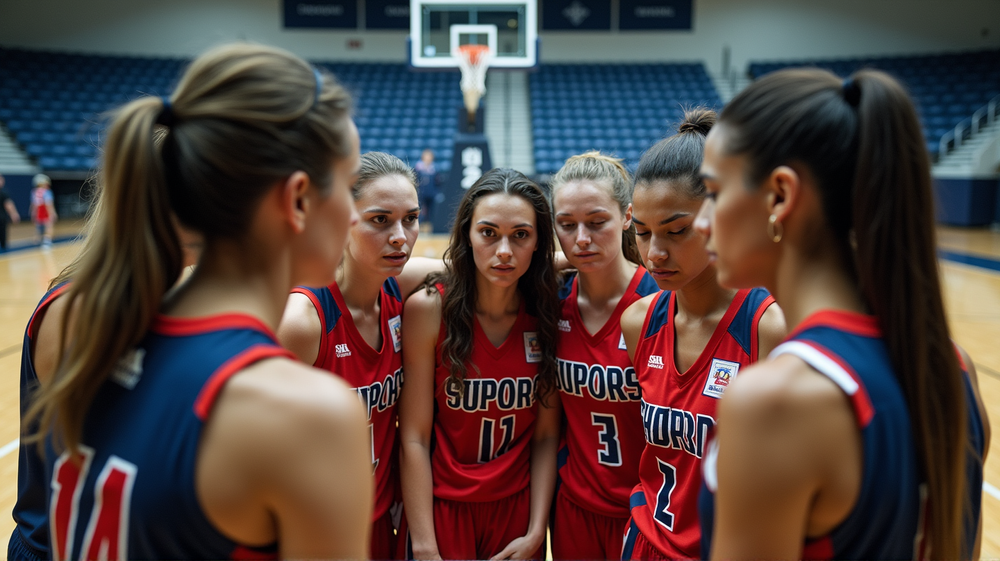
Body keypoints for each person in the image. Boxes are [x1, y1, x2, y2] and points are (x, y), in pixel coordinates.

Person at [20, 43, 373, 560]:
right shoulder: (307, 415)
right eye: (348, 185)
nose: (354, 216)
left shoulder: (99, 326)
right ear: (298, 199)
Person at [695, 68, 991, 560]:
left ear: (779, 196)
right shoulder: (954, 369)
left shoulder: (776, 399)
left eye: (713, 193)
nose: (703, 222)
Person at [619, 109, 785, 560]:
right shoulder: (638, 322)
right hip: (646, 542)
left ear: (717, 217)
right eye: (642, 232)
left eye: (676, 231)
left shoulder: (768, 330)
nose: (655, 253)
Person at [277, 151, 443, 560]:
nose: (401, 236)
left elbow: (487, 265)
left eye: (411, 218)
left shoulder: (396, 285)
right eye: (380, 220)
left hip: (377, 521)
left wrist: (575, 262)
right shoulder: (303, 321)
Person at [399, 168, 561, 560]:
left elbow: (544, 438)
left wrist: (537, 532)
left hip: (518, 513)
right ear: (467, 235)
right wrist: (423, 546)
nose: (504, 250)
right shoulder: (429, 309)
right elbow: (414, 436)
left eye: (520, 235)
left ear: (538, 242)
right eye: (488, 233)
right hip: (441, 508)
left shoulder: (548, 313)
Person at [547, 151, 657, 561]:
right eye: (566, 225)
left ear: (628, 216)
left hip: (646, 515)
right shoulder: (551, 299)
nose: (581, 240)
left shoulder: (659, 301)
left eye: (597, 223)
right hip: (574, 510)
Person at [29, 174, 56, 248]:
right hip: (45, 210)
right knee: (49, 225)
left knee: (38, 226)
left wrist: (33, 213)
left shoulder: (34, 192)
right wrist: (52, 213)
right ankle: (47, 242)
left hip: (38, 210)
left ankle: (37, 239)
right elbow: (49, 203)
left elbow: (33, 204)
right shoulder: (47, 191)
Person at [414, 149, 437, 232]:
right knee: (419, 210)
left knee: (430, 212)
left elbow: (438, 182)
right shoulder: (418, 168)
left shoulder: (434, 169)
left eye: (429, 156)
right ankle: (418, 227)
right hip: (420, 194)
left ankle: (428, 229)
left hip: (431, 194)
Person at [0, 173, 21, 250]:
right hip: (1, 219)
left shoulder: (3, 192)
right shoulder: (3, 193)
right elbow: (8, 205)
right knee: (3, 237)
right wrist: (14, 214)